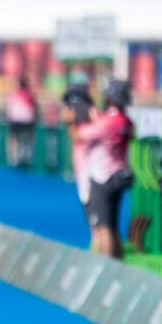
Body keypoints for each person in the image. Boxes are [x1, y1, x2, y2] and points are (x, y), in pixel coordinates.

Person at [76, 79, 135, 259]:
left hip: (103, 176)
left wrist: (81, 119)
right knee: (112, 224)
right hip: (118, 174)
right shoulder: (126, 121)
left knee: (104, 227)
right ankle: (117, 263)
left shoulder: (108, 122)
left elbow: (79, 135)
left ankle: (109, 264)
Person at [62, 80, 96, 247]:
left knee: (96, 216)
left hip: (94, 171)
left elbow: (79, 134)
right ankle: (97, 242)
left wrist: (72, 121)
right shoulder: (78, 120)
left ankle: (99, 246)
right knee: (89, 211)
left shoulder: (93, 116)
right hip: (82, 170)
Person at [6, 77, 36, 168]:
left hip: (16, 120)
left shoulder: (15, 94)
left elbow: (9, 108)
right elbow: (34, 107)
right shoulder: (29, 94)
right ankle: (25, 156)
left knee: (14, 138)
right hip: (27, 120)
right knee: (26, 138)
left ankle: (14, 158)